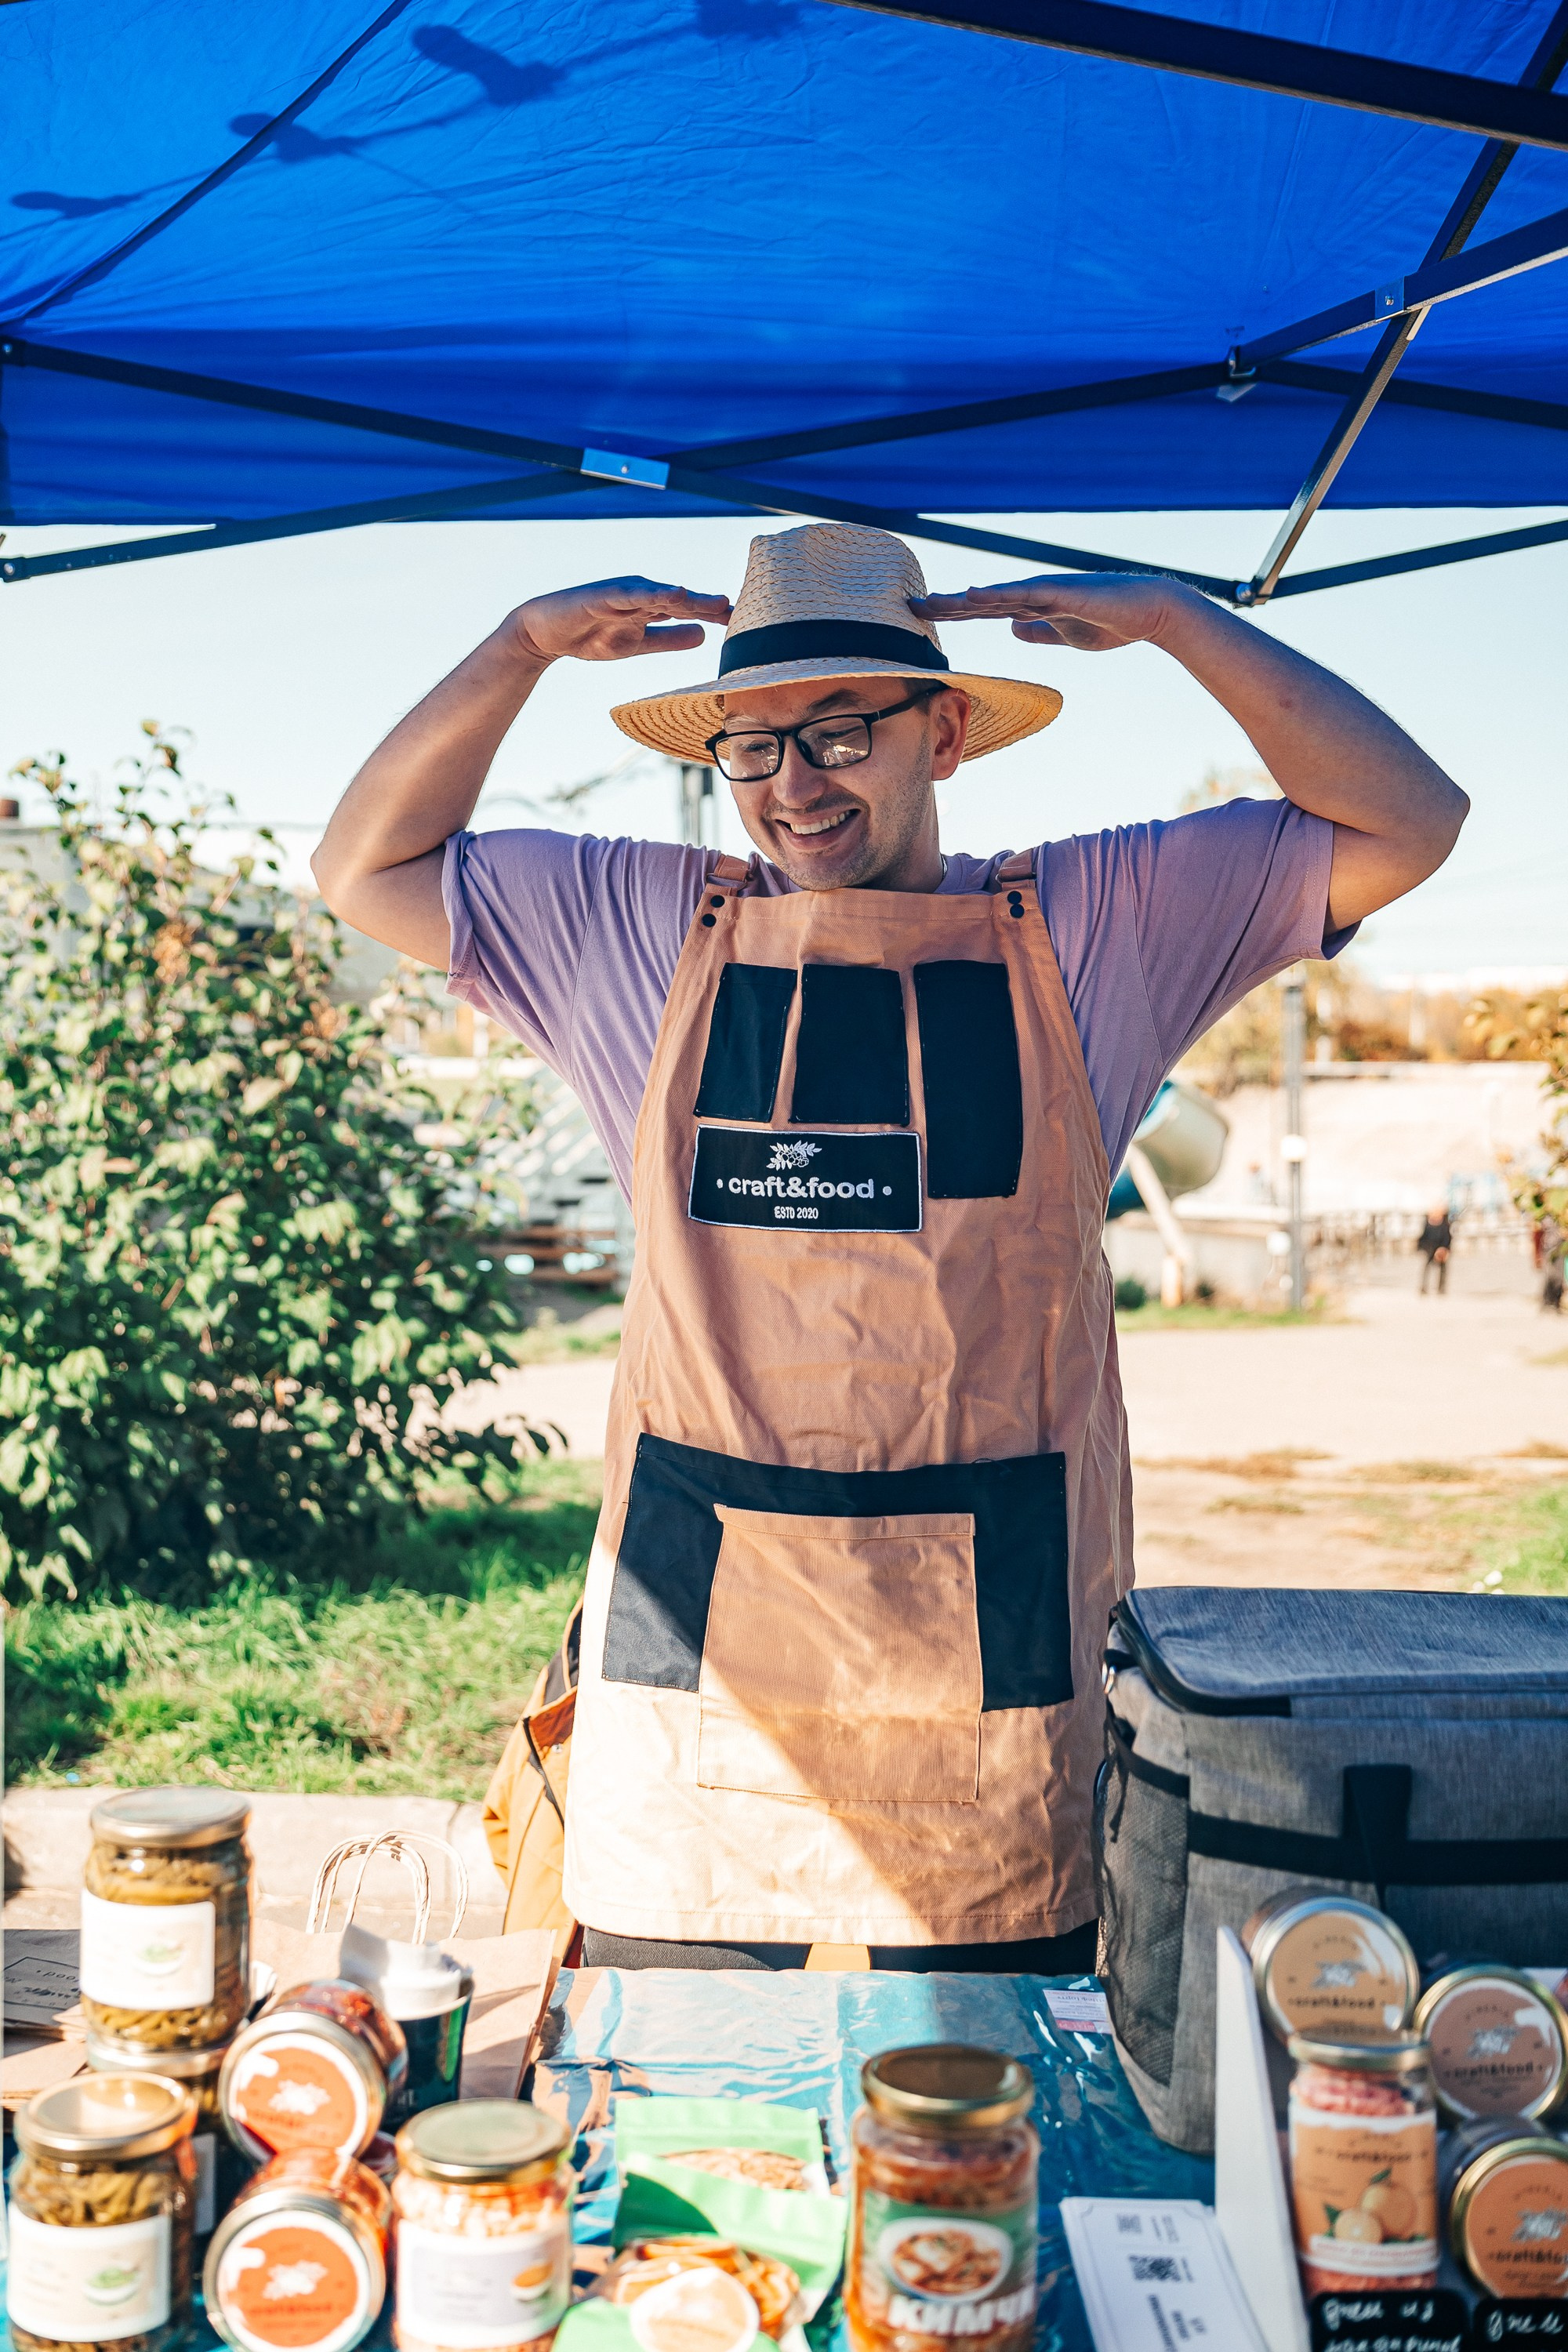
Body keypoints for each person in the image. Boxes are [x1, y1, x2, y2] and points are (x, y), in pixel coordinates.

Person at [314, 523, 1468, 1973]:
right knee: (677, 2128)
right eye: (751, 747)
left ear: (951, 731)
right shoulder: (635, 923)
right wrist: (518, 649)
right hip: (700, 1651)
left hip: (989, 1673)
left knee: (983, 2127)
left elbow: (1409, 820)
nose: (795, 785)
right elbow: (363, 866)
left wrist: (1181, 620)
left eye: (843, 731)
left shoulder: (1100, 925)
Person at [1417, 1203, 1454, 1295]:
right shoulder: (1428, 1224)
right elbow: (1423, 1238)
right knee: (1427, 1268)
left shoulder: (1445, 1225)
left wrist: (1444, 1249)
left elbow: (1447, 1238)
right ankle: (1424, 1287)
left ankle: (1441, 1288)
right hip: (1430, 1249)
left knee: (1443, 1269)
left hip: (1441, 1249)